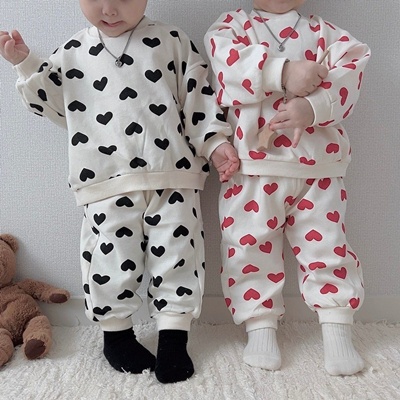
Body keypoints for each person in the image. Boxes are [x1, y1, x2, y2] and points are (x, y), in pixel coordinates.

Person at [0, 0, 239, 384]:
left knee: (179, 254)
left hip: (174, 175)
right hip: (104, 179)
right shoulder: (73, 52)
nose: (109, 9)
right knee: (110, 258)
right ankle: (117, 337)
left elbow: (199, 100)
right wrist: (25, 63)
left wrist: (216, 144)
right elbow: (57, 107)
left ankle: (173, 338)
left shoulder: (172, 41)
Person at [204, 0, 370, 375]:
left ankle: (337, 330)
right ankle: (260, 328)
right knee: (247, 247)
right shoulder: (231, 27)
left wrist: (312, 107)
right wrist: (282, 73)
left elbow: (352, 70)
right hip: (252, 169)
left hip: (319, 170)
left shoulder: (327, 34)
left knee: (328, 248)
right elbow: (226, 67)